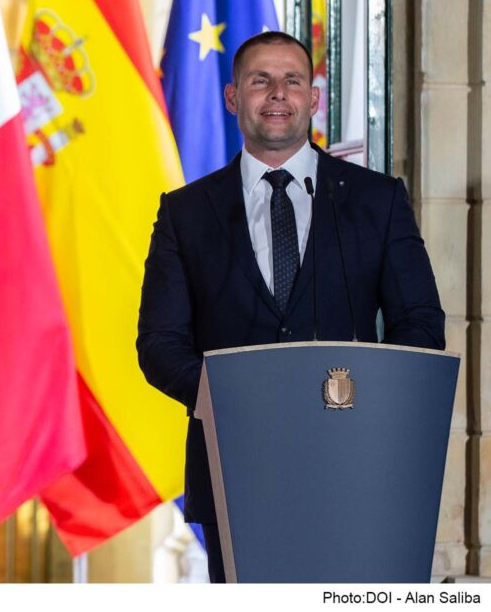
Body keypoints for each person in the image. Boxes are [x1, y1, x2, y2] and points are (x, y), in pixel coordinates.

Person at [136, 31, 445, 582]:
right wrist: (228, 397)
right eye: (261, 81)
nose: (277, 93)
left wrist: (369, 402)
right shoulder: (185, 213)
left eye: (292, 81)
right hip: (236, 468)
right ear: (233, 97)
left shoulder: (378, 200)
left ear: (314, 97)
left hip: (359, 466)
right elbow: (159, 343)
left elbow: (421, 325)